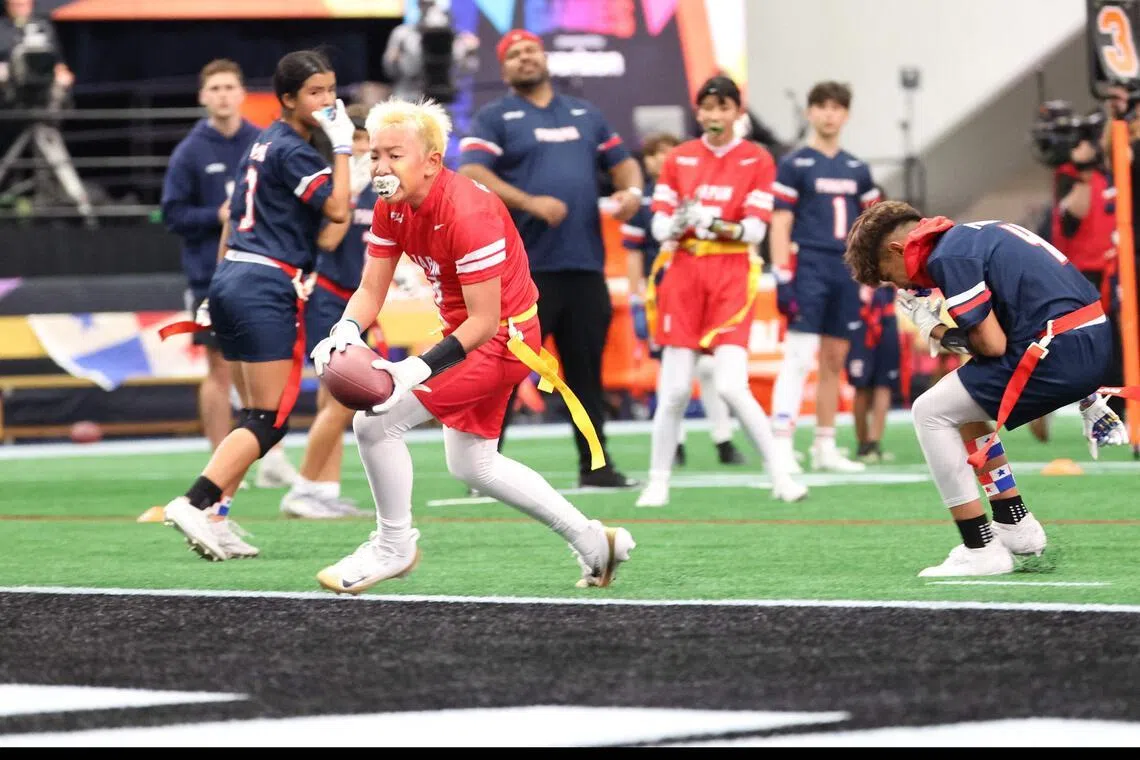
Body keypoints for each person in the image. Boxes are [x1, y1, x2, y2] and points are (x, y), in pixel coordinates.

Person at [309, 96, 636, 594]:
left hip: (504, 336)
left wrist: (415, 368)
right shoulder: (390, 204)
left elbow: (485, 322)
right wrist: (345, 330)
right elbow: (371, 289)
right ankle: (593, 542)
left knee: (375, 422)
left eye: (394, 155)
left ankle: (393, 545)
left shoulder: (468, 210)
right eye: (374, 154)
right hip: (469, 332)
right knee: (473, 464)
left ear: (432, 161)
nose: (379, 166)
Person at [844, 200, 1130, 576]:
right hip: (1085, 340)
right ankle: (1015, 525)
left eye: (890, 275)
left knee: (929, 412)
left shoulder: (951, 257)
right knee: (962, 405)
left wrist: (935, 329)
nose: (902, 285)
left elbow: (991, 344)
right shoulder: (971, 235)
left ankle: (980, 546)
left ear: (898, 249)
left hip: (1061, 349)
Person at [159, 49, 353, 561]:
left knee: (253, 415)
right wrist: (345, 148)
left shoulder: (263, 141)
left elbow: (231, 222)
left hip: (232, 277)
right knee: (269, 419)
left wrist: (216, 287)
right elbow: (337, 211)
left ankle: (218, 517)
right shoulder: (293, 149)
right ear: (288, 99)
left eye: (332, 90)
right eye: (316, 92)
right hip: (264, 283)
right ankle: (194, 501)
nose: (328, 101)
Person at [456, 28, 644, 489]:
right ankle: (483, 470)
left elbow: (623, 162)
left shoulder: (584, 113)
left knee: (586, 373)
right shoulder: (496, 116)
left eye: (530, 51)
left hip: (583, 266)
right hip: (524, 271)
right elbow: (472, 172)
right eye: (514, 54)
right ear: (504, 69)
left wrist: (632, 191)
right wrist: (530, 201)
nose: (524, 58)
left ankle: (596, 467)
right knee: (504, 370)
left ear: (544, 59)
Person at [633, 75, 807, 508]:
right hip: (683, 274)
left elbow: (754, 229)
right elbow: (657, 223)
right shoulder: (678, 158)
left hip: (731, 275)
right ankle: (658, 480)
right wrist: (678, 222)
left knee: (731, 385)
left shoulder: (756, 159)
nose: (714, 116)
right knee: (673, 389)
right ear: (698, 112)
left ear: (737, 112)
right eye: (707, 108)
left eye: (723, 108)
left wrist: (709, 221)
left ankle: (780, 475)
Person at [161, 59, 299, 492]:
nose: (222, 95)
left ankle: (268, 453)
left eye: (229, 87)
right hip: (210, 276)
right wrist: (214, 216)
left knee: (264, 363)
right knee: (220, 368)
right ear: (204, 96)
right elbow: (171, 213)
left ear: (242, 93)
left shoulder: (260, 142)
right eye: (214, 88)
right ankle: (219, 461)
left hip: (261, 273)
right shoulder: (190, 150)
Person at [768, 81, 880, 475]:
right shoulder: (795, 164)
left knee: (835, 359)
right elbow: (779, 223)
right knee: (798, 356)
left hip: (846, 268)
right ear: (809, 112)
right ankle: (781, 443)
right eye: (822, 106)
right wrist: (782, 275)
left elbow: (873, 225)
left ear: (846, 115)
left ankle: (825, 444)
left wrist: (870, 277)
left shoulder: (857, 168)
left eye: (837, 107)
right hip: (810, 264)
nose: (829, 114)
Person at [280, 103, 381, 519]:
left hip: (357, 301)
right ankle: (303, 489)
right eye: (355, 139)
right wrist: (350, 191)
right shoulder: (330, 186)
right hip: (327, 294)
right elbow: (328, 241)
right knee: (341, 399)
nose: (362, 150)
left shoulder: (380, 187)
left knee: (338, 400)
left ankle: (325, 490)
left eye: (367, 142)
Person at [625, 131, 745, 468]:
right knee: (671, 370)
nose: (660, 159)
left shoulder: (697, 193)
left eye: (666, 152)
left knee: (710, 368)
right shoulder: (646, 202)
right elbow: (633, 252)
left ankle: (722, 438)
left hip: (702, 290)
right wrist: (637, 295)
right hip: (662, 293)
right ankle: (674, 443)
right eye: (652, 153)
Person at [382, 0, 479, 103]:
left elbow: (465, 71)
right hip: (409, 97)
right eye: (423, 3)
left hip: (443, 99)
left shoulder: (457, 38)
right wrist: (395, 60)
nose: (427, 8)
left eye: (431, 4)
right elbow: (392, 70)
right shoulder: (402, 34)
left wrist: (469, 54)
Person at [846, 283, 899, 463]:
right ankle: (863, 444)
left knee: (884, 384)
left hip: (886, 314)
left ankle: (873, 444)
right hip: (861, 315)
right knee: (861, 386)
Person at [0, 0, 74, 107]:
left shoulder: (43, 26)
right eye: (16, 5)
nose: (20, 9)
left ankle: (50, 119)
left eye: (24, 5)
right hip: (7, 69)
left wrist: (61, 70)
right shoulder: (2, 27)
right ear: (7, 6)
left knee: (62, 81)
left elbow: (57, 58)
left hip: (42, 71)